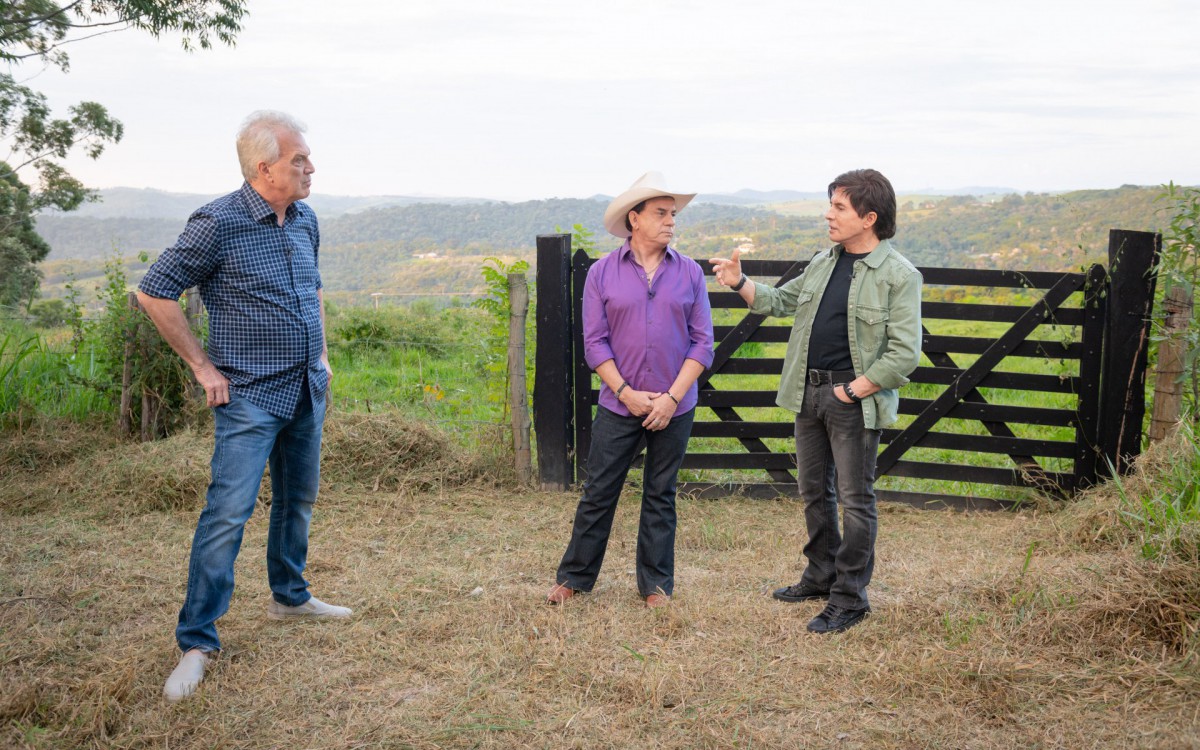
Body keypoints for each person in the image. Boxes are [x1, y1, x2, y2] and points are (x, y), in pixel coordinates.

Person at [137, 111, 351, 702]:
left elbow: (313, 289)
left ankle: (291, 597)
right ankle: (197, 641)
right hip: (250, 395)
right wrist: (202, 366)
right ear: (265, 168)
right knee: (228, 514)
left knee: (298, 500)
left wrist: (324, 356)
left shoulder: (305, 219)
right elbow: (154, 290)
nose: (311, 168)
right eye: (299, 160)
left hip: (308, 388)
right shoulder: (219, 222)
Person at [710, 169, 921, 633]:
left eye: (839, 207)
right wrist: (738, 281)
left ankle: (850, 598)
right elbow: (781, 302)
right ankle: (821, 574)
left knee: (855, 500)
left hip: (852, 398)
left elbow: (905, 352)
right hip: (808, 393)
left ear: (869, 217)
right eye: (831, 204)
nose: (828, 214)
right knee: (813, 492)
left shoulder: (899, 275)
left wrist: (855, 389)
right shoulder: (824, 262)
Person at [547, 172, 714, 609]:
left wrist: (672, 398)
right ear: (633, 218)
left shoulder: (691, 273)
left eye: (672, 214)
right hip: (619, 404)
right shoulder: (602, 273)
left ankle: (655, 587)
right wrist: (627, 393)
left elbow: (702, 342)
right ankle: (575, 578)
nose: (670, 222)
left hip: (674, 407)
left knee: (661, 494)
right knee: (599, 491)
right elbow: (594, 342)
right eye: (660, 213)